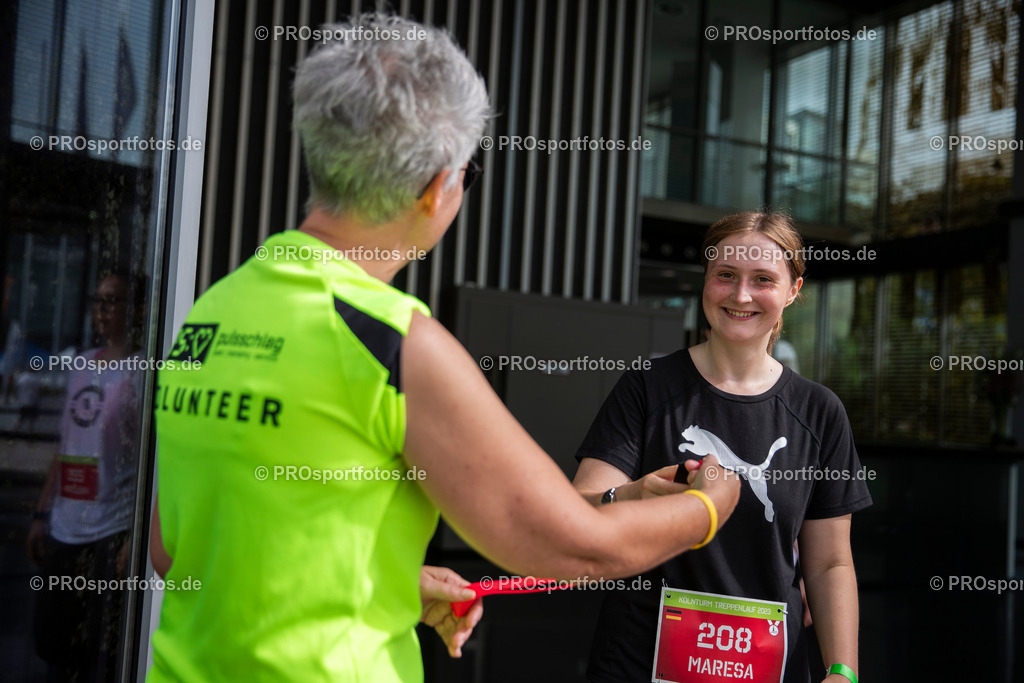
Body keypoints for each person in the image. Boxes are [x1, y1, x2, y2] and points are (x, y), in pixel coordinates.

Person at [147, 13, 740, 683]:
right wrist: (707, 509)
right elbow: (576, 546)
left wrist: (389, 578)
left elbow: (174, 549)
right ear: (438, 187)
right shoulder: (395, 343)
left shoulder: (213, 310)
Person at [572, 211, 872, 683]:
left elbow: (831, 561)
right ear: (706, 280)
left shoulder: (819, 412)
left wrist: (842, 670)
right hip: (637, 664)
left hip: (769, 669)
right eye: (726, 276)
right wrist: (631, 495)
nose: (741, 295)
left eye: (763, 280)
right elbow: (579, 512)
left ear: (793, 290)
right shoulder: (646, 389)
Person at [27, 271, 143, 682]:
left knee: (99, 654)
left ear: (134, 310)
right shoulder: (79, 365)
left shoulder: (141, 371)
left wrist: (135, 536)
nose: (102, 309)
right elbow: (65, 446)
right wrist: (42, 514)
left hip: (108, 532)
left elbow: (154, 454)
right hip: (64, 527)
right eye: (98, 299)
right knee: (54, 648)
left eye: (113, 301)